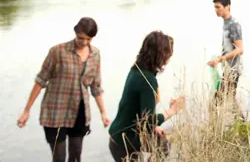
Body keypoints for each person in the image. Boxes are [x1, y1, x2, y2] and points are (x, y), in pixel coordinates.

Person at [17, 17, 110, 162]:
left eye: (88, 39)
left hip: (79, 112)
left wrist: (103, 112)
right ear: (76, 32)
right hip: (55, 113)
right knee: (59, 158)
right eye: (81, 38)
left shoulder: (95, 55)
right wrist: (26, 110)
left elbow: (95, 86)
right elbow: (40, 80)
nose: (84, 42)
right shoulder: (57, 52)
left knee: (76, 156)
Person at [108, 30, 185, 162]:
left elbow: (139, 112)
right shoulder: (147, 79)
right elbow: (147, 121)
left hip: (120, 137)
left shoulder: (137, 70)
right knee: (164, 147)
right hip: (124, 143)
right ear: (160, 55)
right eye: (168, 54)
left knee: (163, 145)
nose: (170, 57)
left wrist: (155, 127)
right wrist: (172, 111)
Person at [207, 0, 244, 116]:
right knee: (230, 100)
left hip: (233, 70)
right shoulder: (226, 23)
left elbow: (239, 49)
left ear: (227, 6)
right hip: (228, 69)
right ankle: (243, 127)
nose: (216, 10)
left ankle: (214, 130)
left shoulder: (233, 24)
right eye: (215, 7)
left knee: (216, 102)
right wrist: (217, 60)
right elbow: (229, 49)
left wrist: (220, 59)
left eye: (218, 7)